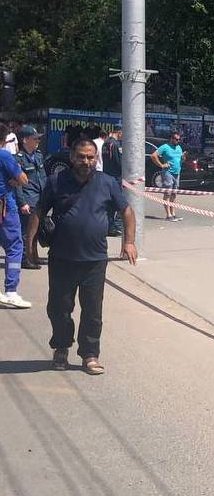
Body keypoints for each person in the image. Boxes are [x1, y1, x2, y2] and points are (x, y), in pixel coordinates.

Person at [27, 139, 137, 375]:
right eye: (81, 156)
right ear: (72, 157)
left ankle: (90, 355)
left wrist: (129, 242)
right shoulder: (57, 182)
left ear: (96, 159)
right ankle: (61, 348)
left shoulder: (107, 183)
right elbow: (39, 211)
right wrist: (30, 245)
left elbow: (127, 211)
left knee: (92, 311)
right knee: (59, 308)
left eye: (90, 157)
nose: (86, 161)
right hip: (62, 259)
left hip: (95, 261)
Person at [0, 143, 29, 309]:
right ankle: (11, 291)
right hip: (5, 207)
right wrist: (14, 180)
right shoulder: (4, 155)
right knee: (15, 247)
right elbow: (23, 179)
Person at [14, 125, 46, 270]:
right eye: (35, 138)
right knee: (26, 232)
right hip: (28, 199)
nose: (38, 141)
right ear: (25, 140)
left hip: (39, 198)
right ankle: (25, 258)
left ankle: (34, 256)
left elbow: (43, 177)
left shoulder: (38, 156)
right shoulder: (18, 159)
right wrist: (22, 203)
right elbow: (17, 184)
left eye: (38, 138)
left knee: (36, 230)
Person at [150, 131, 185, 221]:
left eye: (179, 139)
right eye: (176, 139)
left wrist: (183, 158)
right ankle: (168, 215)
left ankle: (173, 213)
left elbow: (180, 160)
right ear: (171, 139)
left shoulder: (179, 147)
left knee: (174, 194)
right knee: (168, 193)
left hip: (177, 173)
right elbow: (153, 155)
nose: (178, 141)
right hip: (168, 172)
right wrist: (161, 165)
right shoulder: (165, 147)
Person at [102, 125, 124, 236]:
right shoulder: (116, 144)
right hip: (115, 177)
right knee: (119, 203)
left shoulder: (106, 143)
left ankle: (108, 226)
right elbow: (118, 162)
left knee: (109, 204)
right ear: (119, 132)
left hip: (107, 174)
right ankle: (115, 226)